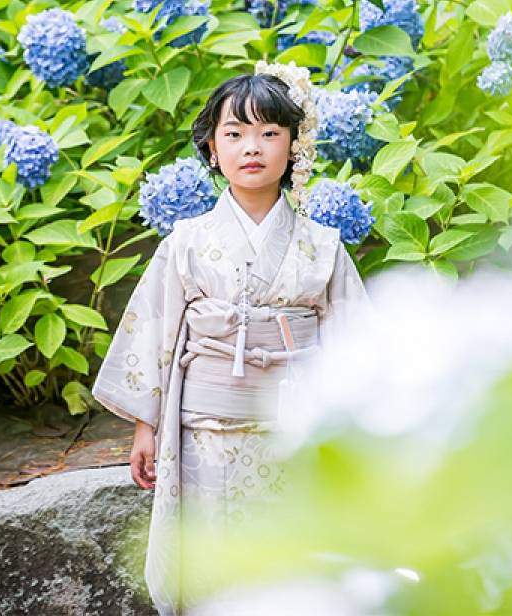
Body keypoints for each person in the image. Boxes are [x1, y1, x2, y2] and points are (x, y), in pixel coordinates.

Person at [92, 60, 368, 616]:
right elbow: (155, 333)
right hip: (206, 435)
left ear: (293, 147)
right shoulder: (186, 242)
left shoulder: (323, 245)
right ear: (212, 149)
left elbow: (357, 345)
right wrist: (146, 427)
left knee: (292, 567)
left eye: (270, 133)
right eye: (235, 133)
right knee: (212, 568)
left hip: (297, 431)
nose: (253, 147)